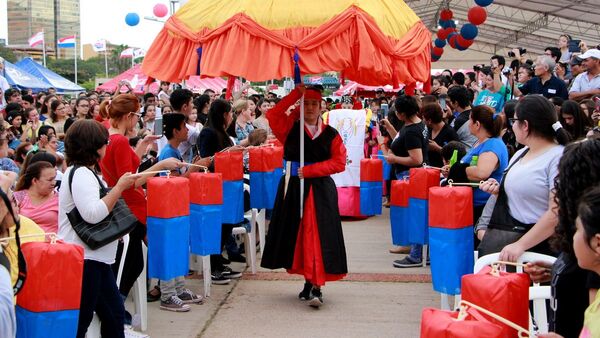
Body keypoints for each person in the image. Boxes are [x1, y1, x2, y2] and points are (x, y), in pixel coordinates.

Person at [100, 94, 189, 314]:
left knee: (131, 263)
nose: (138, 121)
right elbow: (129, 181)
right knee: (132, 264)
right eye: (137, 116)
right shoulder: (118, 140)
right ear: (129, 116)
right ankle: (118, 312)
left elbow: (128, 169)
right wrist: (159, 166)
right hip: (130, 206)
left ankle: (119, 311)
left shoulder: (110, 137)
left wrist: (142, 145)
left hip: (124, 204)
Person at [260, 85, 347, 308]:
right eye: (306, 103)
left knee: (317, 236)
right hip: (294, 188)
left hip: (320, 190)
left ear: (321, 107)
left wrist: (310, 170)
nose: (309, 108)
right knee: (298, 237)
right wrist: (294, 94)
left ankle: (316, 284)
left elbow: (339, 162)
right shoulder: (290, 127)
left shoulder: (331, 134)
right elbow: (273, 114)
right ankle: (309, 280)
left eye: (314, 104)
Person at [58, 119, 137, 338]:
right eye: (104, 142)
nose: (107, 146)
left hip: (93, 259)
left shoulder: (83, 172)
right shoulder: (82, 174)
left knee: (113, 314)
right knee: (84, 321)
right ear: (94, 145)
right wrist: (119, 187)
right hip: (85, 259)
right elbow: (92, 215)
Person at [477, 95, 569, 260]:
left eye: (514, 121)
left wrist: (521, 245)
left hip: (539, 250)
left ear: (525, 125)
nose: (511, 126)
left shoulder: (558, 157)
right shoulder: (521, 153)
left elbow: (556, 211)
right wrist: (498, 189)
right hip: (512, 244)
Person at [156, 113, 208, 312]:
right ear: (176, 131)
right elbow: (174, 183)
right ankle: (168, 294)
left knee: (178, 248)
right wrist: (195, 169)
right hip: (169, 210)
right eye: (184, 127)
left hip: (176, 209)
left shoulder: (174, 151)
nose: (188, 131)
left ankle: (178, 289)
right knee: (171, 249)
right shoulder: (168, 154)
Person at [380, 95, 429, 268]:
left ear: (402, 114)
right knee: (415, 215)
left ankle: (416, 256)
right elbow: (401, 139)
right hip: (414, 176)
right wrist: (391, 128)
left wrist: (394, 159)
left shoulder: (412, 131)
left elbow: (416, 158)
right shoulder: (416, 125)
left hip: (410, 177)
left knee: (414, 216)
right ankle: (417, 252)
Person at [197, 99, 243, 285]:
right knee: (218, 227)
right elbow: (207, 161)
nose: (231, 117)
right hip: (213, 186)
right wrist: (228, 152)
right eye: (230, 113)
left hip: (227, 184)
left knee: (226, 225)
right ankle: (213, 266)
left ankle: (218, 262)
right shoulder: (208, 133)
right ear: (224, 114)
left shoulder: (222, 132)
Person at [446, 105, 508, 229]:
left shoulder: (492, 145)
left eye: (470, 120)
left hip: (481, 206)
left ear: (477, 124)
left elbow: (482, 173)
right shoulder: (480, 141)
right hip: (471, 203)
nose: (468, 123)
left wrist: (458, 170)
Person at [14, 161, 58, 233]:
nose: (54, 183)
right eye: (50, 180)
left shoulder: (59, 199)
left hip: (52, 242)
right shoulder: (18, 197)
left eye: (54, 179)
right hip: (24, 242)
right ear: (34, 180)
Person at [422, 103, 458, 168]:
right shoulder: (427, 130)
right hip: (429, 168)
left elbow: (457, 154)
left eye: (423, 118)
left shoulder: (450, 132)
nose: (422, 120)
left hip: (443, 171)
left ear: (429, 120)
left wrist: (438, 148)